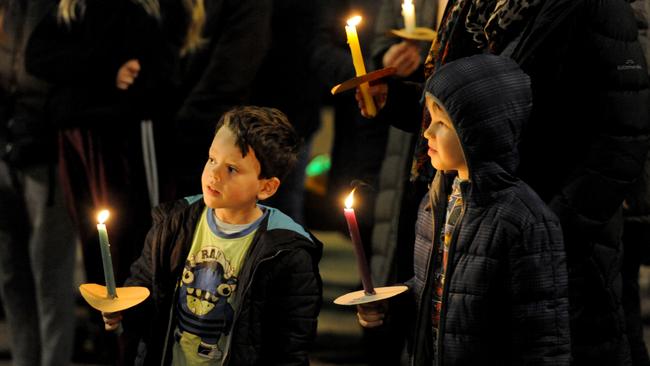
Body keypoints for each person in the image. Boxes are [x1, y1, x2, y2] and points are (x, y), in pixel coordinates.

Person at [356, 0, 649, 364]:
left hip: (559, 236)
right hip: (473, 218)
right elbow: (467, 104)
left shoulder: (592, 7)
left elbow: (621, 138)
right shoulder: (472, 6)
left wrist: (549, 232)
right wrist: (399, 101)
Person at [357, 54, 571, 365]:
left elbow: (543, 340)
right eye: (428, 119)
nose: (427, 133)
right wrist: (391, 304)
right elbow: (437, 286)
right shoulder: (437, 201)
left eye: (442, 123)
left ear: (480, 132)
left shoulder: (523, 220)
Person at [102, 106, 323, 365]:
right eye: (212, 159)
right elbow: (145, 288)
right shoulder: (173, 223)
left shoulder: (286, 251)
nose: (214, 175)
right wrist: (124, 311)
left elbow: (289, 347)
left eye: (232, 169)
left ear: (266, 187)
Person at [0, 1, 77, 365]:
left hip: (49, 147)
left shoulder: (63, 7)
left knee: (50, 276)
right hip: (7, 141)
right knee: (11, 273)